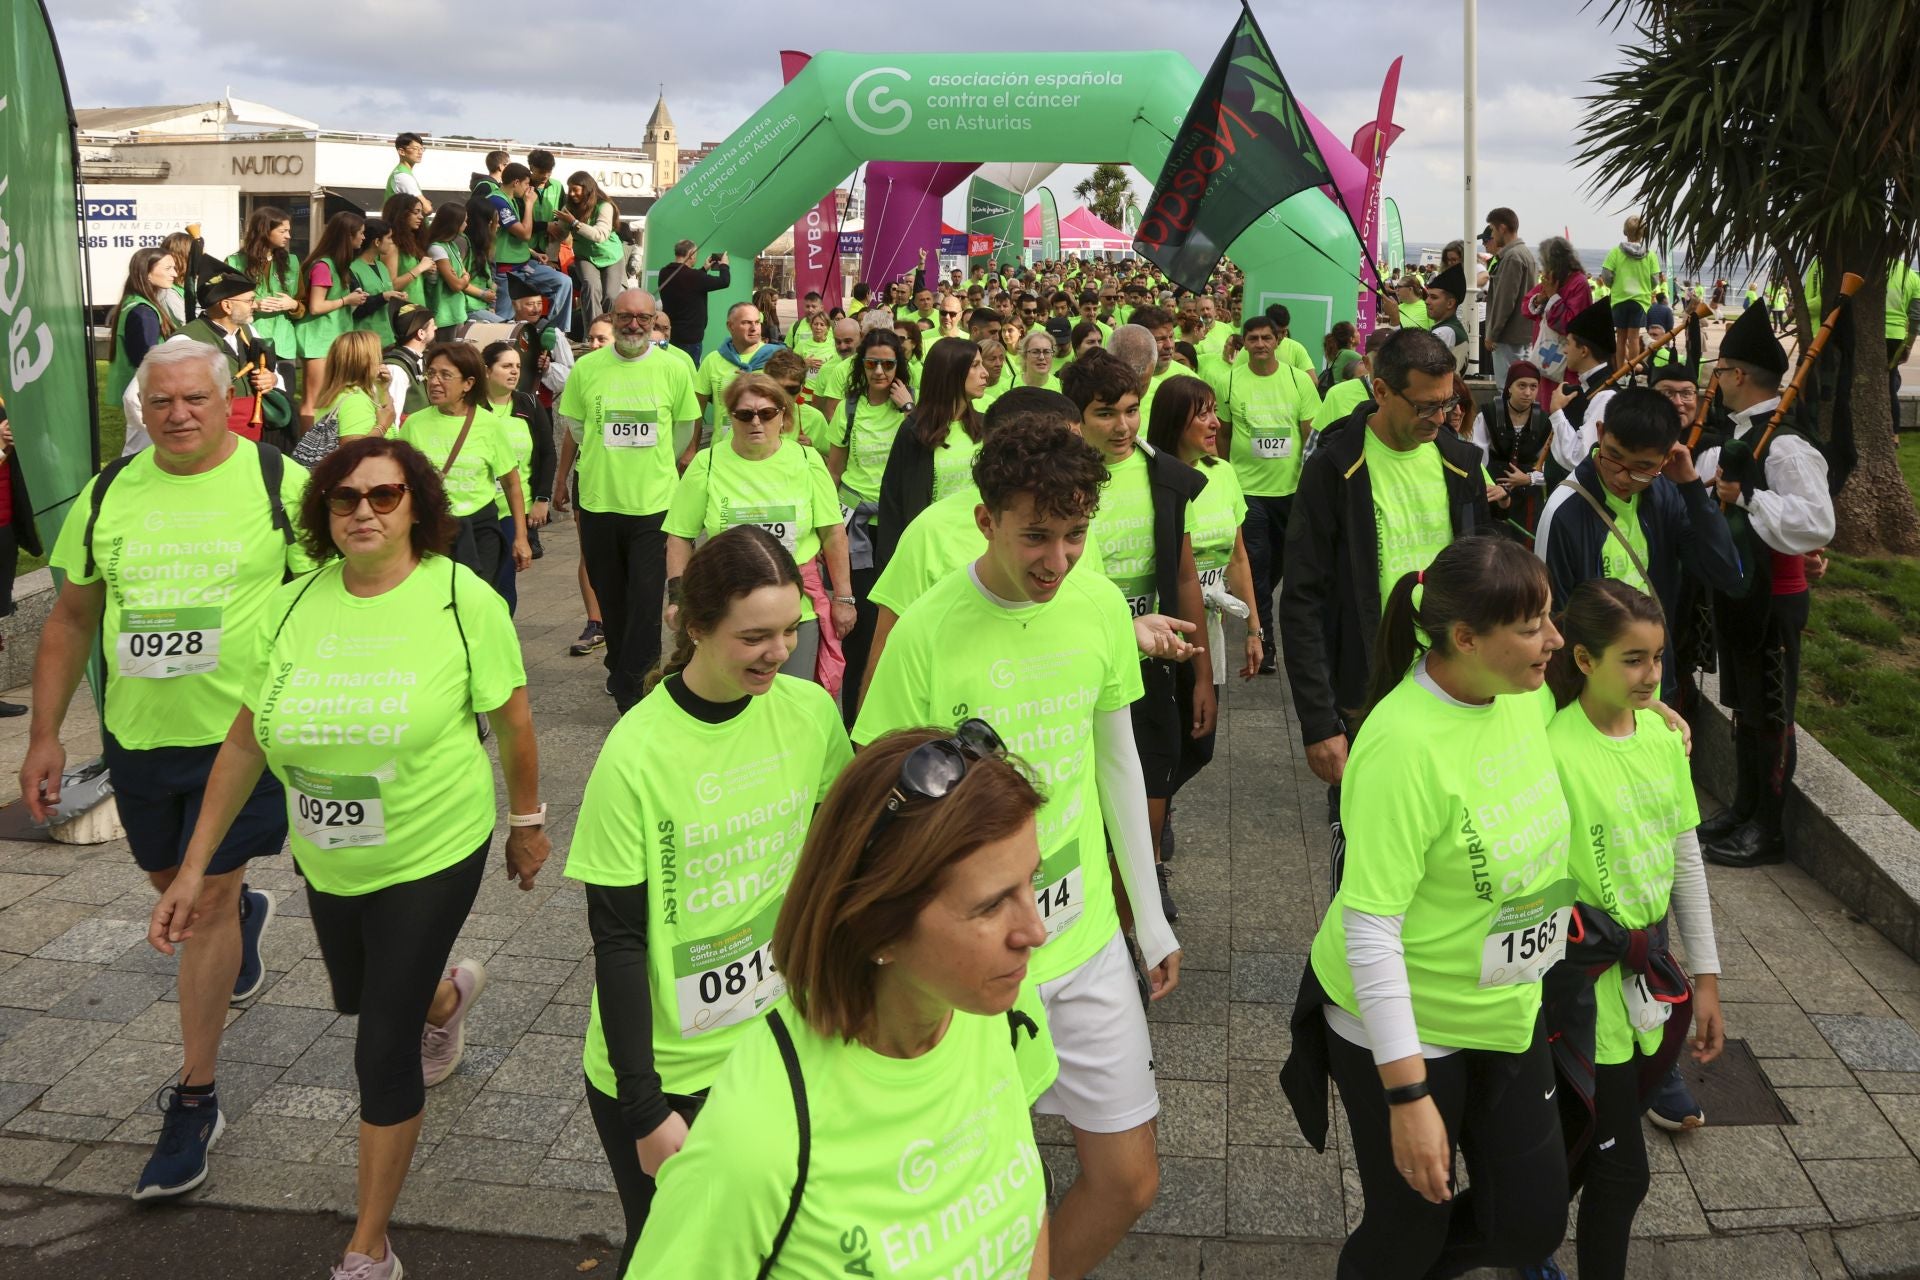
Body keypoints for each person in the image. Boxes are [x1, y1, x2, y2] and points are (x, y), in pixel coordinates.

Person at [151, 434, 546, 1280]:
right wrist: (193, 868)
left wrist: (527, 822)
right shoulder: (293, 606)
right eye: (344, 499)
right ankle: (448, 998)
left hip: (435, 845)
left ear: (417, 506)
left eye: (385, 495)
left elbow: (512, 721)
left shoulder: (459, 598)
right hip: (330, 853)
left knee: (379, 1045)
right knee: (366, 997)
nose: (363, 511)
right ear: (322, 513)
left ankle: (369, 1245)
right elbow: (248, 737)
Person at [856, 413, 1177, 1280]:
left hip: (1084, 939)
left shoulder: (1101, 605)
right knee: (984, 1190)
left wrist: (1150, 920)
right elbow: (878, 806)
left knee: (1128, 1179)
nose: (1058, 560)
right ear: (986, 521)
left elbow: (1117, 761)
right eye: (1037, 535)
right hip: (968, 959)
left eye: (1076, 536)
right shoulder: (926, 631)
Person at [22, 341, 306, 1201]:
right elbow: (71, 618)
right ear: (139, 405)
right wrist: (44, 736)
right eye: (159, 401)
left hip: (244, 739)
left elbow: (327, 601)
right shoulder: (110, 492)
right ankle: (239, 910)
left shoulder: (281, 487)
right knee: (169, 880)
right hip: (140, 739)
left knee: (203, 900)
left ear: (228, 401)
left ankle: (195, 1097)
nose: (176, 415)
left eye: (193, 399)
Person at [628, 722, 1051, 1278]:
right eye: (992, 905)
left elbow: (1028, 1217)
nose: (1035, 931)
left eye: (1031, 883)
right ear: (880, 928)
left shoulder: (995, 1007)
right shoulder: (755, 1140)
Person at [1280, 535, 1573, 1280]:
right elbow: (1369, 929)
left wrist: (1639, 721)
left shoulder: (1524, 694)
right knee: (1410, 1226)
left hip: (1506, 1009)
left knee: (1531, 1223)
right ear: (1466, 639)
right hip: (1407, 1024)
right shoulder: (1399, 748)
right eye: (1534, 625)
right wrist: (1406, 1094)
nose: (1555, 640)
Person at [566, 528, 850, 1272]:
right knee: (670, 1255)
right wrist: (645, 1108)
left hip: (778, 1046)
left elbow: (837, 859)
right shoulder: (635, 752)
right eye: (754, 635)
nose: (779, 651)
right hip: (666, 1071)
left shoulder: (811, 715)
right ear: (694, 627)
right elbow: (619, 941)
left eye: (791, 630)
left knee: (772, 1246)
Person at [1538, 579, 1724, 1280]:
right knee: (1623, 1172)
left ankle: (1520, 1229)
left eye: (1657, 659)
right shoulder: (1551, 748)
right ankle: (1509, 1233)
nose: (1651, 676)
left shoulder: (1660, 737)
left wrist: (1705, 978)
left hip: (1653, 974)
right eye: (1632, 660)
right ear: (1583, 659)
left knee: (1583, 1150)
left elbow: (1685, 858)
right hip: (1583, 986)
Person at [1279, 329, 1494, 890]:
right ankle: (1350, 970)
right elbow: (1301, 602)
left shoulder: (1462, 466)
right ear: (1380, 389)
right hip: (1366, 695)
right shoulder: (1334, 469)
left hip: (1454, 688)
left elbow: (1484, 580)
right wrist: (1319, 723)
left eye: (1449, 403)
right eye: (1425, 406)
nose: (1440, 418)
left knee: (1449, 849)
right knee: (1364, 858)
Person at [1061, 347, 1211, 918]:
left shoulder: (1165, 478)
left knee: (1147, 804)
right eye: (1105, 413)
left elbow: (1183, 574)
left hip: (1152, 666)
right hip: (1079, 660)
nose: (1122, 426)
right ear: (1077, 417)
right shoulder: (1059, 478)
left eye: (1130, 410)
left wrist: (1201, 672)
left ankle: (1136, 916)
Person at [1694, 305, 1836, 868]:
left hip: (1775, 597)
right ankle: (1744, 806)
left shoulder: (1785, 446)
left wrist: (1749, 497)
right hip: (1741, 594)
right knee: (1745, 709)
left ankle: (1768, 828)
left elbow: (1815, 521)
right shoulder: (1744, 436)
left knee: (1772, 711)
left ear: (1740, 375)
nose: (1717, 379)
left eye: (1722, 369)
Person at [1536, 385, 1742, 700]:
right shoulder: (1564, 512)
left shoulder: (1667, 495)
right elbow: (1555, 624)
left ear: (1666, 459)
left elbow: (1726, 572)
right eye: (1614, 457)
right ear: (1601, 433)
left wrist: (1690, 486)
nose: (1622, 477)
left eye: (1642, 468)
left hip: (1657, 688)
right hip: (1596, 699)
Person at [554, 289, 699, 713]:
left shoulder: (673, 369)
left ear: (654, 322)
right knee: (610, 595)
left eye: (643, 318)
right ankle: (620, 666)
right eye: (625, 317)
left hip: (653, 504)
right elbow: (576, 426)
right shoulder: (587, 368)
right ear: (613, 318)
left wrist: (655, 465)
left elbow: (684, 427)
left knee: (645, 598)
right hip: (599, 501)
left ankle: (636, 688)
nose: (634, 325)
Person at [666, 374, 853, 683]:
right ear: (731, 417)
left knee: (793, 705)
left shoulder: (807, 461)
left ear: (784, 416)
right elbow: (680, 536)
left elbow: (833, 534)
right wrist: (678, 599)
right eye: (745, 414)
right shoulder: (707, 463)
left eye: (767, 413)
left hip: (795, 613)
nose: (756, 422)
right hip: (727, 613)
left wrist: (844, 599)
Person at [1145, 374, 1262, 806]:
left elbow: (1238, 557)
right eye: (1204, 415)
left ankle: (1154, 806)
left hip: (1209, 623)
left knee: (1201, 742)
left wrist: (1253, 628)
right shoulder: (1153, 477)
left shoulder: (1224, 472)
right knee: (1167, 739)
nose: (1215, 424)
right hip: (1165, 628)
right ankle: (1153, 817)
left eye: (1216, 412)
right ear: (1175, 422)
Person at [1211, 311, 1323, 673]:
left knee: (1282, 564)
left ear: (1279, 341)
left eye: (1266, 338)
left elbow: (1310, 434)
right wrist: (1223, 474)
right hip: (1249, 491)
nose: (1259, 344)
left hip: (1290, 490)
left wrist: (1312, 484)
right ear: (1243, 343)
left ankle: (1250, 600)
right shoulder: (1229, 382)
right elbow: (1223, 433)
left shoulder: (1297, 381)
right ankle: (1266, 641)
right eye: (1252, 339)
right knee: (1257, 564)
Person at [824, 329, 913, 724]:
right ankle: (852, 723)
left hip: (897, 528)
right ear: (862, 366)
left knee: (897, 623)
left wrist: (910, 407)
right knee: (859, 629)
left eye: (888, 364)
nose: (879, 371)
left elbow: (932, 443)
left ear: (900, 367)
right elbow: (835, 469)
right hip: (856, 528)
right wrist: (826, 529)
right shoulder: (850, 409)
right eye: (872, 363)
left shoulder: (910, 407)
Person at [394, 342, 530, 583]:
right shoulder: (414, 424)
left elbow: (511, 484)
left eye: (445, 375)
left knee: (476, 600)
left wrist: (521, 537)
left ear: (468, 383)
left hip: (479, 530)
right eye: (431, 373)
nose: (434, 382)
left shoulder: (488, 425)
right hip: (432, 530)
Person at [876, 337, 989, 563]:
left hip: (979, 550)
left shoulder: (986, 426)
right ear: (951, 373)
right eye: (975, 366)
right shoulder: (914, 433)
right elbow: (895, 507)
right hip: (933, 554)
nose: (985, 373)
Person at [170, 265, 293, 445]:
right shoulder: (185, 341)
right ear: (227, 306)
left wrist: (272, 379)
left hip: (255, 438)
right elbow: (138, 395)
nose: (254, 305)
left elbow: (272, 374)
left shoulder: (248, 330)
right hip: (211, 442)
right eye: (249, 301)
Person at [481, 340, 556, 607]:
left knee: (504, 582)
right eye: (506, 366)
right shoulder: (472, 408)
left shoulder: (528, 404)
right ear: (487, 370)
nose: (514, 372)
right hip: (480, 508)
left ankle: (501, 637)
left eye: (517, 366)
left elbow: (548, 454)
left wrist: (542, 498)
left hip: (516, 509)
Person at [562, 315, 616, 658]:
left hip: (631, 485)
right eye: (591, 338)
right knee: (589, 552)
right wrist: (560, 480)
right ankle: (596, 622)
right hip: (589, 476)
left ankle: (621, 618)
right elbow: (571, 430)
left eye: (601, 340)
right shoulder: (582, 375)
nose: (594, 345)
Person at [296, 212, 371, 423]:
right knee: (314, 400)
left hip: (332, 339)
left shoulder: (338, 265)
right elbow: (316, 306)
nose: (364, 238)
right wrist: (347, 301)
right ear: (348, 236)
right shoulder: (323, 266)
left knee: (330, 399)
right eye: (361, 233)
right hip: (318, 340)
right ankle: (306, 452)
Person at [486, 162, 575, 336]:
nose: (529, 189)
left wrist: (532, 253)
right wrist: (529, 204)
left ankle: (553, 334)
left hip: (524, 263)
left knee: (564, 282)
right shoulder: (497, 201)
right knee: (504, 319)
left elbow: (512, 238)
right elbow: (524, 234)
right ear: (516, 182)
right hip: (506, 269)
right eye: (527, 184)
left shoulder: (510, 200)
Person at [1544, 301, 1625, 490]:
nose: (1564, 350)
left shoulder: (1606, 396)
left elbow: (1578, 457)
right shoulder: (1589, 388)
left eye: (1569, 343)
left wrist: (1556, 412)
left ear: (1583, 350)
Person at [692, 301, 778, 461]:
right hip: (722, 452)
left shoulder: (776, 359)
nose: (754, 328)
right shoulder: (713, 360)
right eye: (746, 323)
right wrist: (691, 449)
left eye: (757, 322)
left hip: (765, 453)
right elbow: (697, 412)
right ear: (730, 326)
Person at [226, 207, 302, 384]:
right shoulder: (234, 262)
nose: (289, 236)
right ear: (264, 231)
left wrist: (293, 305)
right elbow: (224, 303)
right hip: (248, 342)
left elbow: (303, 304)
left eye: (289, 231)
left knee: (284, 402)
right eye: (283, 231)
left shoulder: (293, 262)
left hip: (284, 345)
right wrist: (255, 305)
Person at [1480, 360, 1553, 536]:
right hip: (1493, 494)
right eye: (1521, 385)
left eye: (1533, 387)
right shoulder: (1487, 415)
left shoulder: (1546, 422)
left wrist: (1528, 479)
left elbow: (1553, 469)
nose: (1528, 392)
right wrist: (1491, 487)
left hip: (1528, 499)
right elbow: (1477, 460)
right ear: (1509, 387)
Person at [105, 247, 179, 415]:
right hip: (146, 397)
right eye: (168, 268)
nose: (174, 274)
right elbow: (147, 359)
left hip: (141, 395)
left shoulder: (133, 303)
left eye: (174, 268)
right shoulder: (143, 312)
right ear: (146, 273)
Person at [552, 171, 626, 331]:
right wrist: (551, 255)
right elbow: (560, 234)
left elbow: (600, 235)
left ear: (587, 189)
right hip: (585, 257)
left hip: (611, 256)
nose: (571, 194)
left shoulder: (604, 206)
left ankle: (611, 332)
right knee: (591, 287)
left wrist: (574, 223)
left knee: (611, 296)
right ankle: (593, 331)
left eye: (575, 189)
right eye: (569, 189)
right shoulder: (568, 208)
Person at [1482, 208, 1540, 384]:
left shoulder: (1512, 257)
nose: (1491, 233)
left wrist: (1492, 333)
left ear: (1502, 228)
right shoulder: (1525, 254)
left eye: (1492, 228)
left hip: (1508, 335)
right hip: (1522, 333)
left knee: (1507, 387)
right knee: (1521, 385)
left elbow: (1505, 300)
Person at [1526, 235, 1591, 385]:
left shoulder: (1579, 283)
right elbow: (1526, 308)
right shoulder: (1552, 279)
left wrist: (1553, 297)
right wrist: (1539, 300)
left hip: (1567, 358)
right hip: (1543, 351)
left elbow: (1571, 323)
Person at [422, 204, 501, 326]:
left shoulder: (451, 245)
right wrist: (463, 279)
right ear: (454, 224)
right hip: (445, 313)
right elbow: (457, 285)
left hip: (457, 311)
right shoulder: (439, 247)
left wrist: (462, 277)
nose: (466, 225)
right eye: (464, 221)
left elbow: (464, 275)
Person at [1600, 216, 1662, 371]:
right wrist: (1646, 287)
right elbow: (1655, 279)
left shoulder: (1615, 252)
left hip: (1619, 299)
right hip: (1640, 300)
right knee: (1634, 337)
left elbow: (1606, 275)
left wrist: (1613, 285)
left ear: (1624, 232)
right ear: (1643, 234)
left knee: (1620, 338)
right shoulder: (1650, 254)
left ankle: (1619, 370)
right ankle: (1632, 370)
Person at [311, 330, 396, 443]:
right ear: (365, 362)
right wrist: (382, 427)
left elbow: (387, 411)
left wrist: (383, 389)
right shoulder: (355, 401)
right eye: (377, 356)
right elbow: (352, 452)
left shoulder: (335, 395)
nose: (380, 362)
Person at [657, 239, 730, 363]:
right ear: (691, 254)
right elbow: (724, 281)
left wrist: (703, 269)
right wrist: (724, 265)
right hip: (690, 339)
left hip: (671, 335)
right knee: (690, 374)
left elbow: (686, 284)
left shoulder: (664, 273)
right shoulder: (695, 278)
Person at [347, 217, 408, 348]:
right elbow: (356, 309)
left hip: (386, 337)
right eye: (389, 238)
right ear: (377, 242)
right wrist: (383, 297)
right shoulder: (352, 268)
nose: (392, 242)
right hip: (365, 341)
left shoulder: (381, 266)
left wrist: (396, 296)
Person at [379, 194, 434, 310]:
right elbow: (391, 285)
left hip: (417, 309)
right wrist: (420, 268)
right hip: (402, 313)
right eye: (416, 212)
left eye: (421, 212)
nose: (421, 217)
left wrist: (428, 270)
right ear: (401, 214)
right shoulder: (391, 245)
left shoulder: (411, 242)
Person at [381, 306, 436, 420]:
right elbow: (391, 416)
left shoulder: (419, 358)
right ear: (421, 333)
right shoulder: (396, 368)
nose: (436, 327)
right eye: (432, 325)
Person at [1424, 264, 1471, 373]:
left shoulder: (1444, 332)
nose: (1427, 301)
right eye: (1428, 296)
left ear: (1450, 303)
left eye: (1433, 297)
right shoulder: (1452, 328)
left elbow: (1419, 367)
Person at [384, 131, 428, 208]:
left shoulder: (403, 172)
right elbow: (426, 208)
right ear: (402, 151)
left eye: (421, 148)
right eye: (415, 148)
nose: (420, 152)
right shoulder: (402, 176)